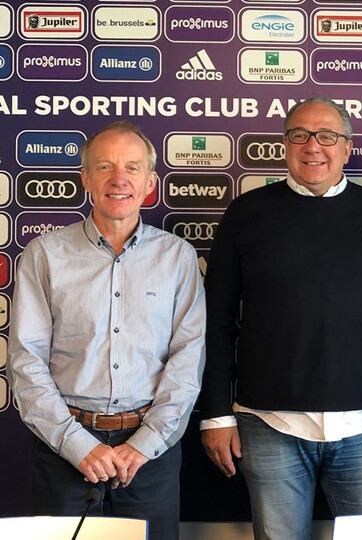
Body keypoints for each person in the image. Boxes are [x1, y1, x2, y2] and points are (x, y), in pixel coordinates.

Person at [199, 98, 362, 540]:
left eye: (327, 136)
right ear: (285, 145)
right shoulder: (246, 213)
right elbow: (216, 321)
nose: (313, 146)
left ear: (347, 148)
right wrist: (215, 414)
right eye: (300, 135)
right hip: (268, 423)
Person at [8, 121, 206, 540]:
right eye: (105, 167)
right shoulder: (45, 254)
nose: (119, 179)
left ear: (150, 182)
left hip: (150, 455)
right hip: (63, 451)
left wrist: (143, 444)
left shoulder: (177, 257)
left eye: (132, 168)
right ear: (86, 179)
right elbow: (26, 360)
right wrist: (79, 446)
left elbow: (187, 361)